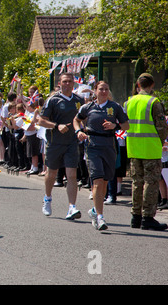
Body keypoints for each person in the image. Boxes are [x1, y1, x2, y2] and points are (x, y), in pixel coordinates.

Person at [74, 81, 129, 230]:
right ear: (95, 91)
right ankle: (100, 217)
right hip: (93, 146)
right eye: (101, 89)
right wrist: (78, 131)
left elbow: (126, 125)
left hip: (109, 146)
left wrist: (115, 126)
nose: (104, 91)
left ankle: (94, 211)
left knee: (105, 181)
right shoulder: (88, 107)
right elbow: (76, 119)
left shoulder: (114, 107)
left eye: (106, 89)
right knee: (97, 180)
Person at [38, 72, 84, 219]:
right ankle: (47, 198)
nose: (67, 84)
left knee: (72, 175)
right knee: (51, 174)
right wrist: (56, 125)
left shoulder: (79, 100)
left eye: (70, 81)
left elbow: (83, 119)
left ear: (73, 83)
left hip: (71, 142)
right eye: (64, 81)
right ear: (60, 83)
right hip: (55, 142)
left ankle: (72, 207)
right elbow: (41, 121)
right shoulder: (53, 100)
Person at [125, 73, 168, 231]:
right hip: (150, 148)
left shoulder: (129, 101)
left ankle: (135, 217)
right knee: (151, 183)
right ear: (152, 85)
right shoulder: (154, 101)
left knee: (137, 183)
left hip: (134, 147)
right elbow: (162, 128)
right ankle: (147, 217)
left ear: (138, 84)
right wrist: (161, 142)